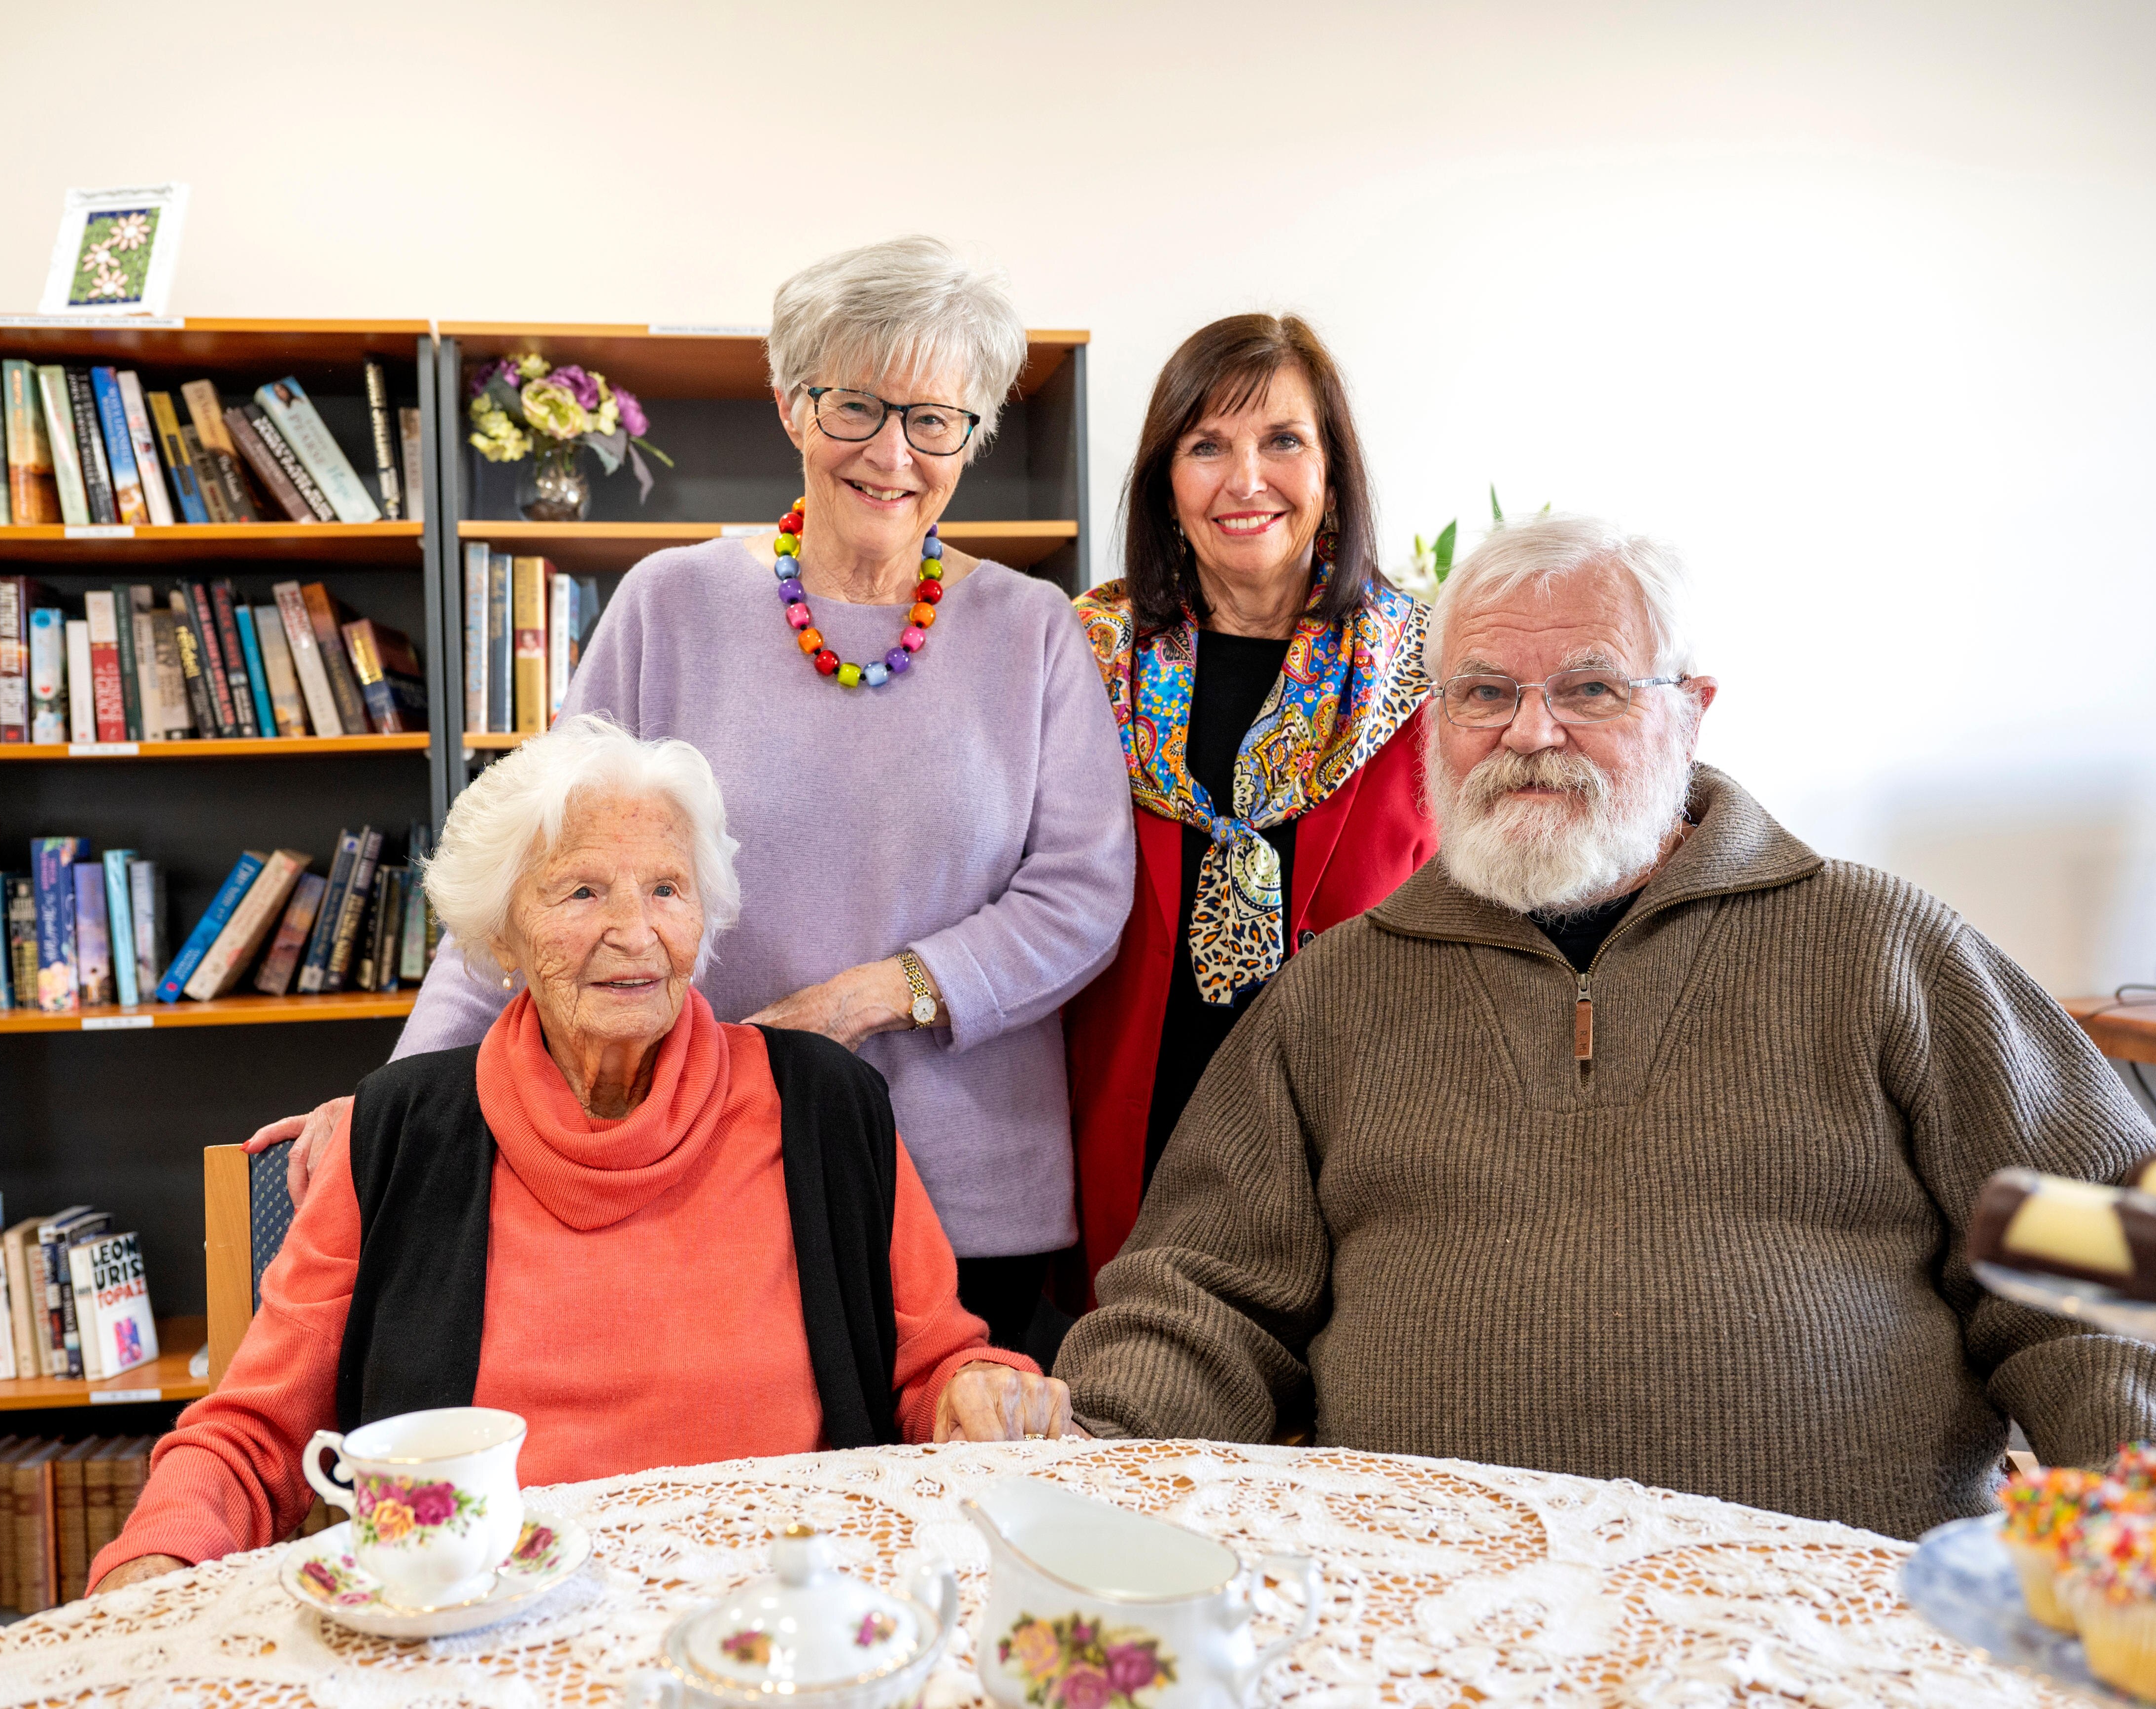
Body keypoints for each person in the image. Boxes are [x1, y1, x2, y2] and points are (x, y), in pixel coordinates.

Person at [1051, 513, 2156, 1541]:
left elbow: (2112, 1268)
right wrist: (1076, 1458)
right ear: (1433, 719)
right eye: (1483, 692)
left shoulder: (1881, 944)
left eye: (1588, 688)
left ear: (1691, 710)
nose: (1529, 733)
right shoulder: (1335, 995)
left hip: (1835, 1621)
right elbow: (1202, 1299)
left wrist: (2155, 1527)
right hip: (1427, 1621)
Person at [249, 236, 1134, 1360]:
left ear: (973, 436)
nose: (893, 452)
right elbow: (540, 874)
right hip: (709, 1161)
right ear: (790, 405)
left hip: (970, 1191)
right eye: (855, 405)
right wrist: (397, 1103)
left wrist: (855, 1003)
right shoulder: (669, 604)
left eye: (934, 418)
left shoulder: (1035, 631)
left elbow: (1081, 895)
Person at [94, 718, 1074, 1593]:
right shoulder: (396, 1134)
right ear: (503, 931)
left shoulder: (822, 1107)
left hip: (781, 1627)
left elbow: (936, 1366)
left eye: (666, 889)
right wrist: (152, 1564)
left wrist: (979, 1390)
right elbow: (252, 1434)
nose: (634, 932)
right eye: (580, 890)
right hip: (485, 1641)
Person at [1065, 315, 1433, 1294]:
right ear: (1163, 480)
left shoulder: (1422, 675)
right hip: (1125, 1123)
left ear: (1332, 470)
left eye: (1282, 441)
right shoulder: (1083, 657)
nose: (1244, 480)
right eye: (1205, 446)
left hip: (1357, 1137)